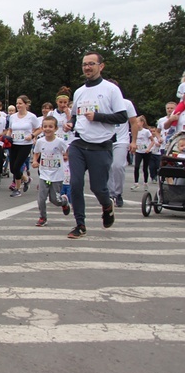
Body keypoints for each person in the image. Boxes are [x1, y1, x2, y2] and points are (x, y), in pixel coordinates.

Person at [63, 52, 128, 239]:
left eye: (91, 64)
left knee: (98, 188)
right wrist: (71, 124)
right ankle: (80, 224)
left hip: (101, 145)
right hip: (79, 144)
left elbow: (122, 117)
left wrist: (98, 117)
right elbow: (76, 115)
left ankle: (107, 205)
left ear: (101, 66)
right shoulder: (79, 91)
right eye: (84, 64)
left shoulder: (111, 90)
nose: (87, 68)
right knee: (75, 184)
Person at [31, 116, 70, 227]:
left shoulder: (60, 142)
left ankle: (64, 201)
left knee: (55, 200)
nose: (47, 129)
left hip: (57, 175)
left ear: (56, 128)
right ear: (42, 128)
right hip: (44, 174)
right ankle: (43, 217)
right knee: (41, 198)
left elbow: (67, 150)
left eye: (50, 127)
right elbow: (36, 153)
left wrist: (66, 156)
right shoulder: (40, 141)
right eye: (45, 126)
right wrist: (34, 161)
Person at [107, 89, 138, 207]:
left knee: (118, 165)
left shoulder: (126, 104)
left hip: (121, 140)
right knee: (107, 167)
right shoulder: (102, 103)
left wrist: (133, 141)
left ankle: (118, 193)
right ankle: (110, 194)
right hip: (105, 139)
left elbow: (133, 122)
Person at [6, 95, 41, 197]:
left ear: (26, 104)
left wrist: (32, 135)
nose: (18, 105)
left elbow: (39, 129)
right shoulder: (12, 117)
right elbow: (10, 130)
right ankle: (26, 179)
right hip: (14, 144)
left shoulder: (31, 117)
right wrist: (6, 139)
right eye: (17, 103)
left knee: (17, 167)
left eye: (20, 103)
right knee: (12, 168)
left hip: (25, 144)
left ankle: (17, 189)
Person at [131, 115, 153, 191]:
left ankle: (145, 182)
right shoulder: (135, 131)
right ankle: (136, 183)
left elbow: (153, 141)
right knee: (136, 166)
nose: (136, 123)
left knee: (145, 168)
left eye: (137, 122)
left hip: (146, 152)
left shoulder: (146, 131)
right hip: (138, 151)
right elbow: (133, 140)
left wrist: (148, 148)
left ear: (142, 122)